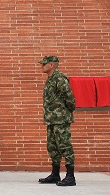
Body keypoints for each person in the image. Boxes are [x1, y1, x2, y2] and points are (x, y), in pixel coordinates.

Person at [37, 55, 77, 187]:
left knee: (65, 146)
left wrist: (67, 111)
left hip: (61, 119)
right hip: (51, 120)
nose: (42, 66)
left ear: (51, 65)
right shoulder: (50, 80)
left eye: (44, 64)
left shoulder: (60, 78)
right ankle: (55, 174)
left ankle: (70, 176)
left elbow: (69, 97)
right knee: (53, 147)